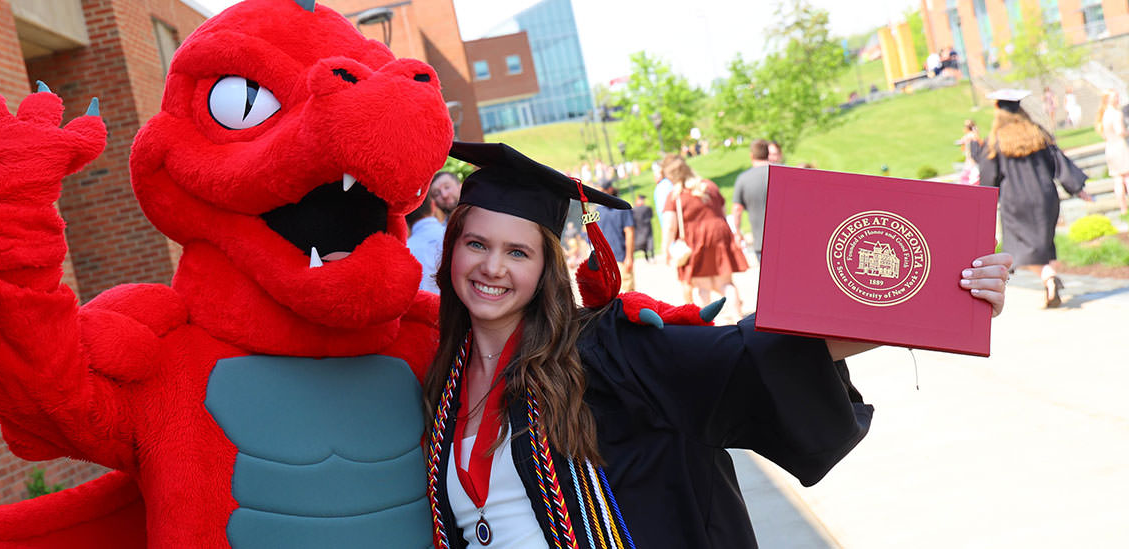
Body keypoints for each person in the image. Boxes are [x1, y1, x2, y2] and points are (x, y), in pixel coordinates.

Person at [423, 141, 1012, 548]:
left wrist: (941, 292)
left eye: (517, 251)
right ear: (451, 249)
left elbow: (749, 355)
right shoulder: (441, 376)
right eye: (476, 244)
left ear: (547, 265)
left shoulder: (605, 353)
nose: (492, 267)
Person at [974, 89, 1092, 308]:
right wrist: (1077, 188)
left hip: (1016, 201)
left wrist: (982, 201)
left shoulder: (996, 140)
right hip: (1045, 197)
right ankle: (1050, 283)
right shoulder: (1037, 132)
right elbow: (1058, 162)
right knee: (1043, 245)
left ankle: (1048, 278)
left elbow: (990, 176)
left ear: (997, 109)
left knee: (1018, 249)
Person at [662, 156, 748, 313]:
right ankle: (737, 318)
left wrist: (666, 249)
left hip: (695, 240)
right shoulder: (709, 186)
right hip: (719, 234)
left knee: (703, 287)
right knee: (726, 284)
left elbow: (669, 226)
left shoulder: (676, 195)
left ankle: (706, 324)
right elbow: (722, 211)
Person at [408, 171, 459, 293]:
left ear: (461, 186)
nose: (444, 195)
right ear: (433, 204)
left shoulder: (482, 216)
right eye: (436, 193)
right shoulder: (445, 232)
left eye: (447, 187)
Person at [732, 139, 773, 264]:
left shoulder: (744, 179)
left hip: (761, 240)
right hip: (788, 238)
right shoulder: (784, 173)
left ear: (751, 155)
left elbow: (737, 209)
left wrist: (737, 232)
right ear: (768, 153)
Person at [594, 183, 635, 291]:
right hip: (605, 260)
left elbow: (629, 233)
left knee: (627, 296)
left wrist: (629, 257)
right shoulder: (599, 211)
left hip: (621, 259)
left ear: (610, 190)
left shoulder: (622, 207)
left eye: (602, 190)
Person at [1096, 90, 1129, 214]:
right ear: (1108, 99)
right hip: (1120, 147)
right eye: (1115, 97)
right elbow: (1120, 132)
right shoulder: (1116, 113)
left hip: (1110, 147)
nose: (1118, 99)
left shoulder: (1104, 114)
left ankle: (1123, 209)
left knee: (1118, 178)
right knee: (1126, 177)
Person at [956, 119, 982, 185]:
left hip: (971, 162)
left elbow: (960, 143)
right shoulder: (974, 135)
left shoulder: (970, 136)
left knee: (967, 179)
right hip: (972, 161)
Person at [631, 194, 655, 262]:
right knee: (649, 242)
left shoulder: (634, 209)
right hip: (647, 227)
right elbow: (651, 215)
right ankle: (651, 257)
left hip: (639, 228)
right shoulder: (647, 208)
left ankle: (647, 257)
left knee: (642, 243)